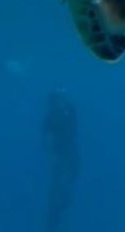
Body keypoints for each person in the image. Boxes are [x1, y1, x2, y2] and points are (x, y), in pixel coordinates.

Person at [41, 90, 79, 231]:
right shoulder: (53, 115)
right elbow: (45, 139)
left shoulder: (60, 112)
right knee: (59, 184)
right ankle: (55, 217)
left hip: (66, 152)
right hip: (63, 153)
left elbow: (45, 139)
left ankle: (58, 212)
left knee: (63, 182)